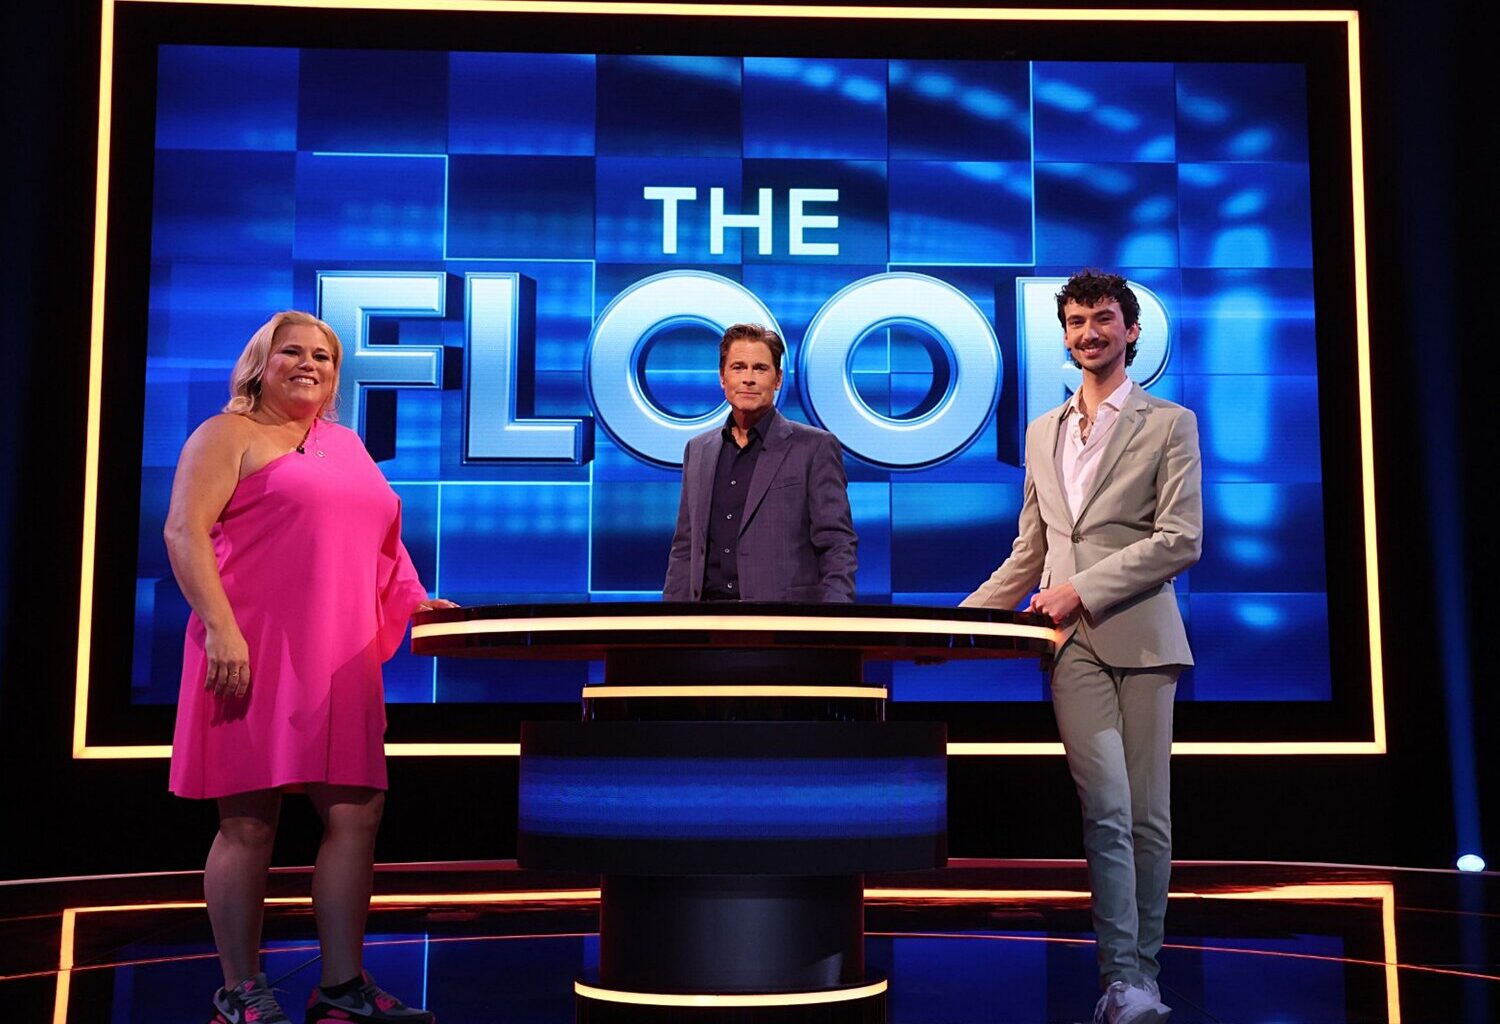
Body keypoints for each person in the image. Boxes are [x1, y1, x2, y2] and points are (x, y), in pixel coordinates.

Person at [165, 311, 454, 1024]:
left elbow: (384, 546)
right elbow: (183, 531)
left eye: (324, 356)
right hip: (248, 650)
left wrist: (420, 605)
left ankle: (342, 987)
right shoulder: (226, 434)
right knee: (249, 822)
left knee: (358, 812)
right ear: (260, 361)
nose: (310, 365)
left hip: (338, 658)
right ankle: (241, 989)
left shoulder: (348, 445)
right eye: (292, 351)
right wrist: (221, 629)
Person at [962, 270, 1202, 1024]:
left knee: (1147, 817)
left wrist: (1083, 588)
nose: (1088, 333)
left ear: (1131, 331)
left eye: (1102, 319)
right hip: (1071, 649)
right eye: (1075, 321)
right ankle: (1121, 981)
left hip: (1144, 636)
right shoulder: (1042, 431)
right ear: (1062, 335)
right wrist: (963, 617)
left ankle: (1144, 980)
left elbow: (1181, 539)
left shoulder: (1170, 422)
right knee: (1104, 809)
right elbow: (1029, 553)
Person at [664, 322, 857, 603]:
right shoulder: (698, 450)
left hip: (783, 625)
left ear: (777, 379)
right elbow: (685, 547)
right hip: (705, 622)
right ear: (722, 378)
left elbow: (837, 544)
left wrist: (834, 621)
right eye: (738, 367)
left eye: (760, 368)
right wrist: (672, 626)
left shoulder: (814, 447)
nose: (748, 379)